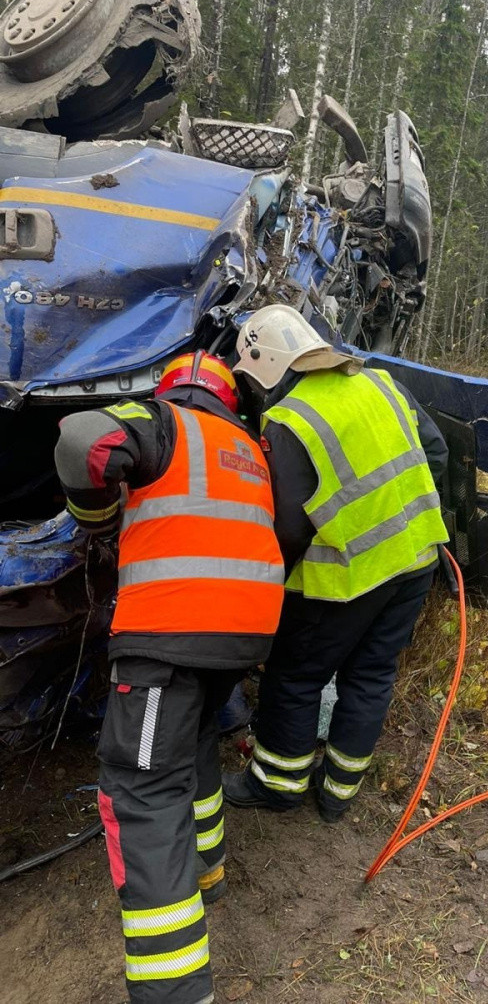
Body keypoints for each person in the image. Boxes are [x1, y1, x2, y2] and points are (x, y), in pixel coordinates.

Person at [54, 351, 284, 1004]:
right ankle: (208, 872)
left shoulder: (164, 422)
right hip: (240, 638)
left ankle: (174, 991)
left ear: (174, 390)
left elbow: (81, 440)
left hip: (169, 638)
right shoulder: (248, 449)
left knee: (141, 790)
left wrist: (96, 517)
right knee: (190, 748)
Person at [222, 305, 449, 823]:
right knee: (371, 674)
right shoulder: (381, 383)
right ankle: (338, 792)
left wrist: (261, 595)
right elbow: (433, 455)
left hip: (345, 582)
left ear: (265, 369)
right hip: (415, 559)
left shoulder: (289, 421)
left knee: (295, 678)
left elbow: (288, 531)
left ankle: (277, 784)